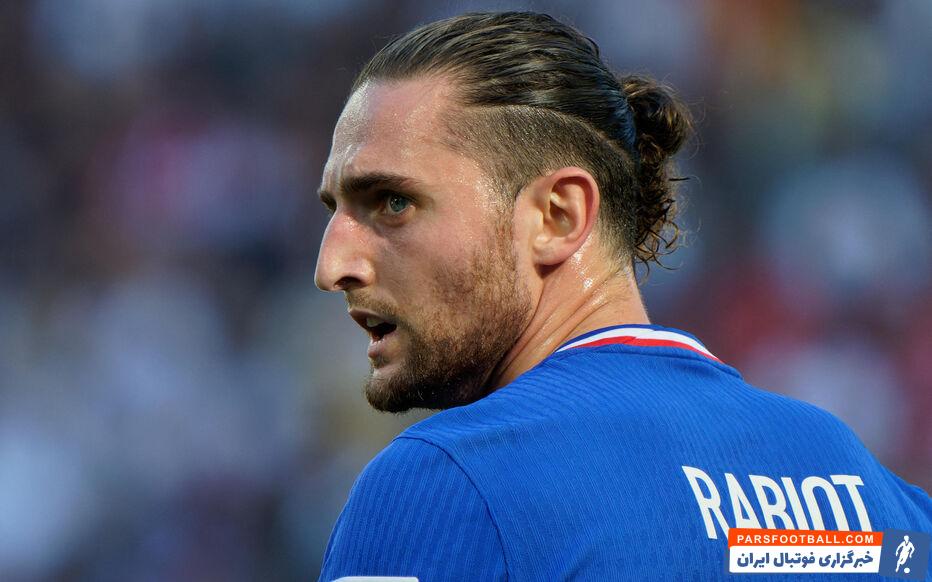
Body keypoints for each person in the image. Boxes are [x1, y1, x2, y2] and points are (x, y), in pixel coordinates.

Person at [314, 11, 932, 581]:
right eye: (333, 210)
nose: (331, 267)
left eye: (394, 202)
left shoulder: (448, 483)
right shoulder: (876, 499)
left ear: (558, 216)